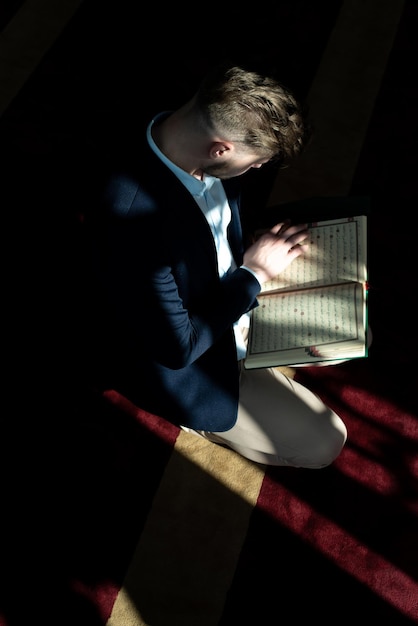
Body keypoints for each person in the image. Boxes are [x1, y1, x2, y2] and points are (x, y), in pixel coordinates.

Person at [86, 61, 348, 468]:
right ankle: (210, 413)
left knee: (345, 332)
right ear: (220, 148)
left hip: (230, 292)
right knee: (324, 443)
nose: (259, 168)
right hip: (190, 356)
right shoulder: (134, 220)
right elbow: (178, 348)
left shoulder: (190, 133)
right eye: (257, 161)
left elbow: (216, 225)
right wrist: (255, 274)